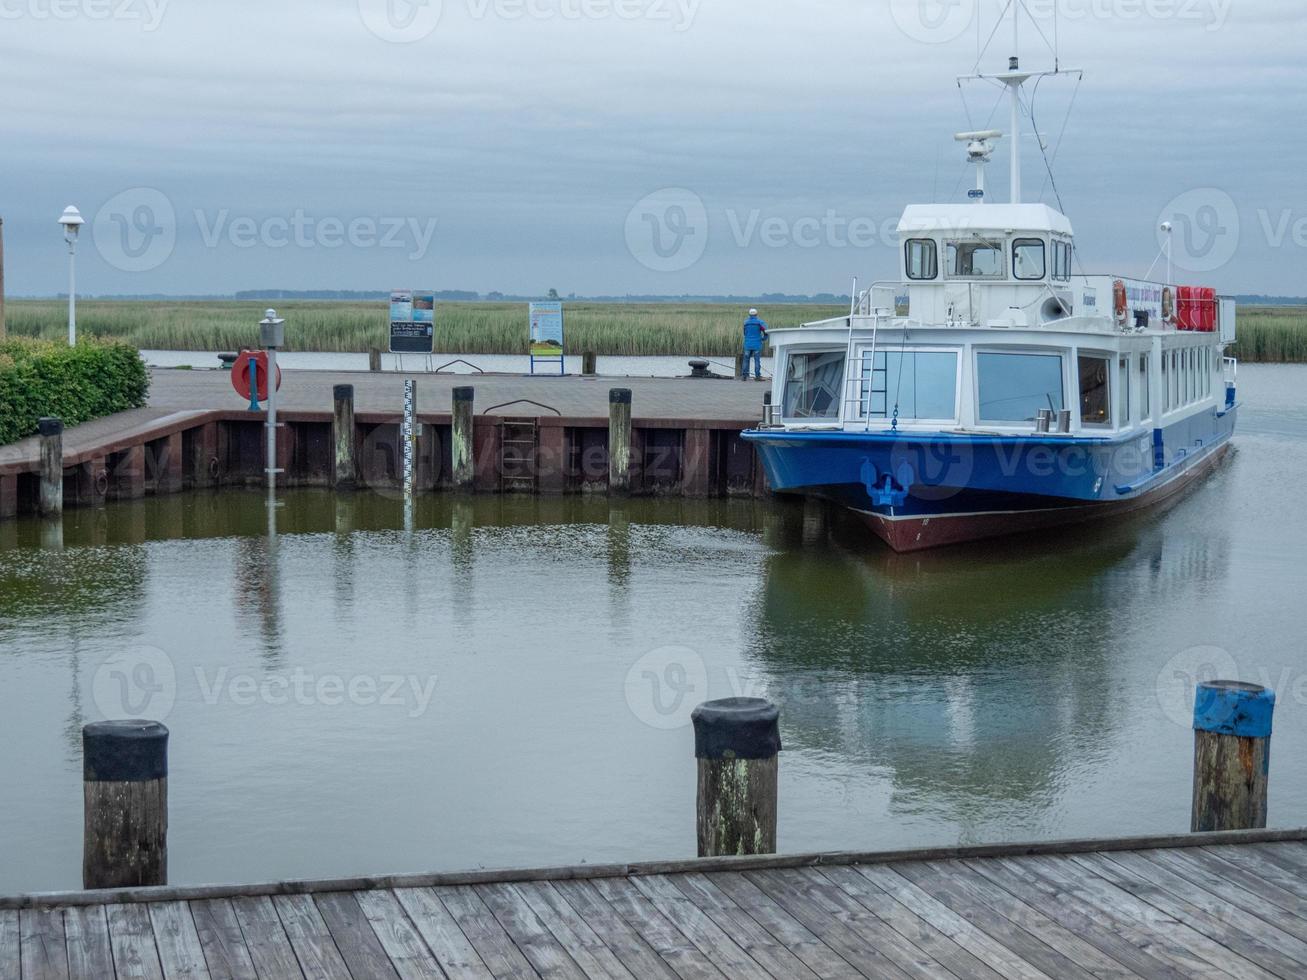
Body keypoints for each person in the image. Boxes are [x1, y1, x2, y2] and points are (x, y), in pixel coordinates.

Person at [741, 308, 767, 381]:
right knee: (757, 360)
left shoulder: (746, 322)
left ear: (749, 314)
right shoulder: (760, 322)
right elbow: (766, 331)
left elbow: (745, 333)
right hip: (757, 344)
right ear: (756, 314)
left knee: (746, 360)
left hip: (747, 344)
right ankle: (757, 376)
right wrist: (764, 338)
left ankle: (744, 376)